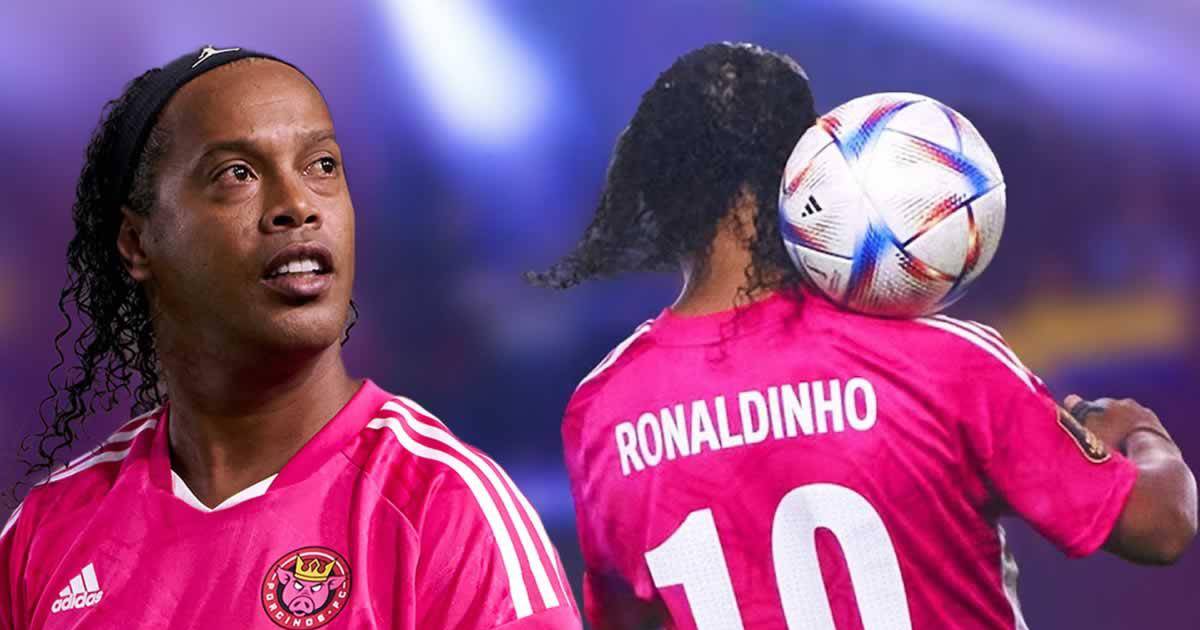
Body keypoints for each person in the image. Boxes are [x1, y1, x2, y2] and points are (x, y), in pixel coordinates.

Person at [530, 42, 1197, 629]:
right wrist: (1143, 433)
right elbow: (1162, 527)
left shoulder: (602, 413)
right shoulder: (941, 361)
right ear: (813, 172)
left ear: (655, 193)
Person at [0, 45, 578, 629]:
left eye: (322, 165)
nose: (297, 205)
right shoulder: (45, 532)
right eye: (237, 173)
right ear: (136, 242)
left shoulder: (445, 509)